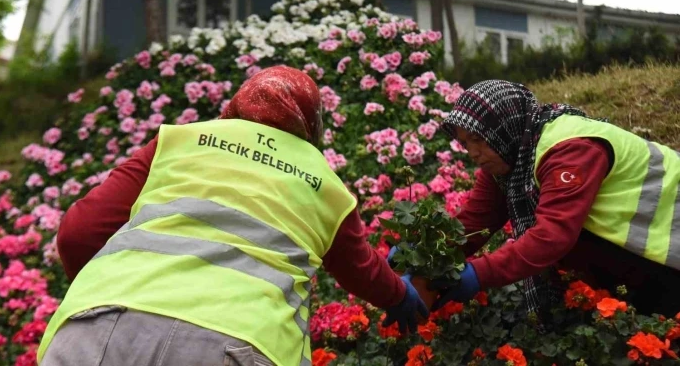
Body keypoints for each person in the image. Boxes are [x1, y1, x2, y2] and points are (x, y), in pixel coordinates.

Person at [37, 65, 427, 366]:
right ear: (312, 128)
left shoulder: (180, 141)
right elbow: (360, 270)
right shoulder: (323, 183)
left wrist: (110, 289)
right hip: (239, 342)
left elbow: (77, 234)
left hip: (99, 325)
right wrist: (399, 294)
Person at [430, 79, 680, 319]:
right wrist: (422, 253)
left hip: (666, 254)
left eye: (478, 139)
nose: (473, 153)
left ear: (503, 126)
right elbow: (474, 224)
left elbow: (551, 237)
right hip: (638, 264)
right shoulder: (509, 156)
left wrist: (477, 274)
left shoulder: (570, 150)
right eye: (465, 143)